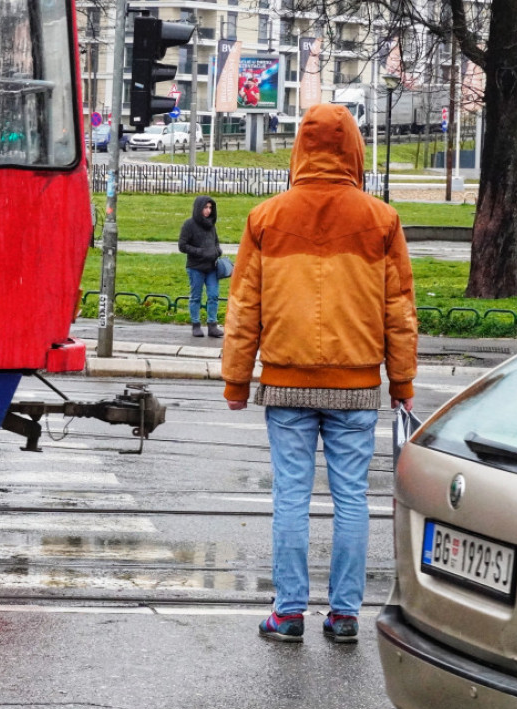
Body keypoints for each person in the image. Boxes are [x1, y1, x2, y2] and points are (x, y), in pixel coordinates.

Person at [222, 103, 417, 644]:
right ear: (353, 150)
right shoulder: (381, 220)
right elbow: (398, 311)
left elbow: (243, 306)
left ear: (300, 150)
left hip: (285, 383)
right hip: (356, 387)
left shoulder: (266, 218)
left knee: (291, 496)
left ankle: (286, 614)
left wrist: (238, 379)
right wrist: (401, 383)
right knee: (353, 498)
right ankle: (345, 614)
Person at [178, 195, 224, 338]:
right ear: (199, 208)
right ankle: (196, 325)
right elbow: (182, 246)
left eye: (210, 207)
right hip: (195, 267)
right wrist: (200, 252)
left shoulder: (211, 225)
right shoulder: (189, 225)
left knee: (213, 295)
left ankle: (212, 325)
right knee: (196, 297)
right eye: (205, 207)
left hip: (211, 267)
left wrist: (217, 251)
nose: (208, 210)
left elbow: (216, 242)